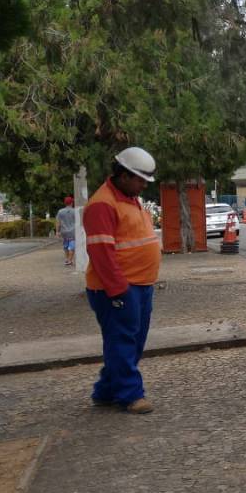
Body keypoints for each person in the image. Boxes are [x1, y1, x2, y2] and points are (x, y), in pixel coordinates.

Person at [82, 147, 160, 414]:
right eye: (139, 180)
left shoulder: (128, 197)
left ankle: (105, 392)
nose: (142, 186)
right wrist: (119, 290)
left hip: (139, 284)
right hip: (116, 288)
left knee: (131, 341)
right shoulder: (102, 204)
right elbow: (101, 252)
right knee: (123, 341)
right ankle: (130, 395)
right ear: (123, 175)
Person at [56, 196, 76, 266]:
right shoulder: (75, 211)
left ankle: (67, 259)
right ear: (71, 203)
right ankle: (70, 260)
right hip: (73, 232)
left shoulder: (60, 211)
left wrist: (57, 231)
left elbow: (58, 222)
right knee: (72, 246)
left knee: (66, 246)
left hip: (64, 231)